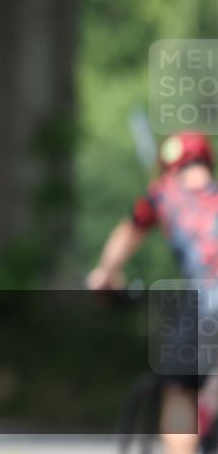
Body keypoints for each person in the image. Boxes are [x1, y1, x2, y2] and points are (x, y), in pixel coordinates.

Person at [88, 131, 218, 454]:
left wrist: (105, 276)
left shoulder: (164, 193)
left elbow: (128, 234)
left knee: (179, 389)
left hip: (209, 302)